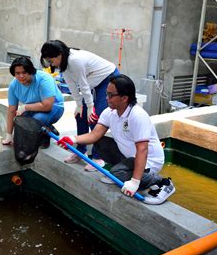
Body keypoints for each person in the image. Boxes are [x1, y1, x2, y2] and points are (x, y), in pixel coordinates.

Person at [57, 74, 175, 205]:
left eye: (111, 95)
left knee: (117, 174)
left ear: (124, 98)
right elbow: (95, 134)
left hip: (149, 160)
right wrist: (72, 139)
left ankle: (162, 183)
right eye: (107, 94)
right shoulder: (109, 112)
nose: (106, 98)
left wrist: (134, 182)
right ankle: (126, 173)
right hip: (129, 156)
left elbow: (142, 150)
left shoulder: (137, 115)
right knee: (100, 142)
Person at [40, 40, 119, 171]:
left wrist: (89, 106)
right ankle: (81, 151)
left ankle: (98, 157)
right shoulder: (64, 63)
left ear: (59, 54)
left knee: (95, 117)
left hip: (107, 78)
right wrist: (79, 105)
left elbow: (83, 85)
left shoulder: (75, 60)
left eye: (51, 59)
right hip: (92, 80)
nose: (50, 63)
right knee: (80, 115)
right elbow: (72, 85)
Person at [2, 57, 64, 147]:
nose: (21, 76)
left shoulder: (44, 79)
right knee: (20, 121)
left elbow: (47, 106)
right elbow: (11, 110)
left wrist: (25, 107)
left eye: (24, 72)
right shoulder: (14, 85)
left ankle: (45, 135)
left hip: (54, 107)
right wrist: (9, 136)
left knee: (37, 119)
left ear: (31, 71)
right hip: (34, 108)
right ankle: (47, 127)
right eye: (17, 73)